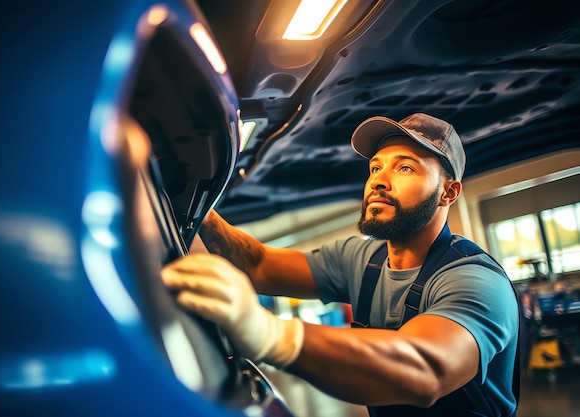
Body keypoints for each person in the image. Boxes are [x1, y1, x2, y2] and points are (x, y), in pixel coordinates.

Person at [161, 113, 519, 417]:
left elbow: (426, 369)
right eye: (375, 167)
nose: (378, 179)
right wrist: (196, 208)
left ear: (448, 193)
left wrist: (270, 334)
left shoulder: (475, 280)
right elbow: (259, 264)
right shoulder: (361, 259)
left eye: (405, 167)